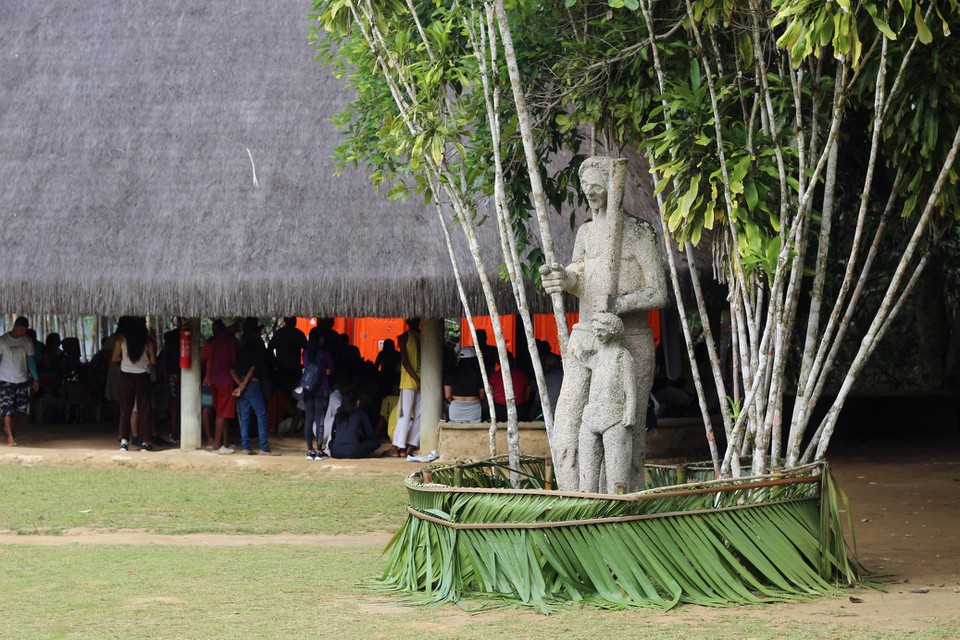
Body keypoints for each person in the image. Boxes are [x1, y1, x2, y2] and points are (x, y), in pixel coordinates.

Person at [540, 156, 668, 492]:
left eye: (597, 188)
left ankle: (620, 509)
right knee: (567, 433)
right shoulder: (586, 232)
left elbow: (658, 292)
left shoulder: (639, 233)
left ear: (613, 189)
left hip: (630, 339)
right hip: (585, 339)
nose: (591, 195)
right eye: (587, 190)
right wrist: (563, 279)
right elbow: (579, 274)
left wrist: (621, 303)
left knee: (626, 439)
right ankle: (574, 501)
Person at [578, 313, 637, 494]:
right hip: (590, 416)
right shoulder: (598, 356)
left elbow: (630, 386)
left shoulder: (622, 356)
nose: (597, 335)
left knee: (617, 476)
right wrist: (576, 347)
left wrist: (630, 410)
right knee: (587, 475)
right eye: (596, 331)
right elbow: (585, 359)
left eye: (601, 331)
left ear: (613, 331)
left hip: (615, 417)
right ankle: (587, 508)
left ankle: (615, 510)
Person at [231, 317, 277, 455]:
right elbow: (252, 368)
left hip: (243, 385)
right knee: (261, 414)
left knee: (245, 415)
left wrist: (240, 386)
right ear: (254, 334)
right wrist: (243, 386)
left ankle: (245, 446)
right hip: (252, 385)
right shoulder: (256, 348)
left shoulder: (241, 349)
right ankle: (264, 446)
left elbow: (232, 370)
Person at [112, 316, 157, 451]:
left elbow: (114, 358)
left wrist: (123, 358)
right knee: (144, 409)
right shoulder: (148, 341)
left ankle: (124, 442)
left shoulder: (121, 340)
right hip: (142, 377)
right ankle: (144, 442)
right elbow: (153, 361)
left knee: (125, 409)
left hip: (125, 376)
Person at [0, 317, 40, 446]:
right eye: (22, 329)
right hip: (5, 379)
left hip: (22, 380)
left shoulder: (27, 342)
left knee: (22, 411)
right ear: (15, 326)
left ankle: (9, 427)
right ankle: (10, 437)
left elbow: (30, 360)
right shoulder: (3, 341)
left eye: (25, 330)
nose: (23, 332)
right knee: (7, 409)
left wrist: (36, 378)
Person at [385, 318, 421, 457]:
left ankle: (396, 447)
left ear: (407, 321)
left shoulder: (404, 337)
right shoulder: (423, 337)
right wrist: (421, 381)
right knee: (419, 415)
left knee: (404, 414)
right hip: (423, 382)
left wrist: (416, 379)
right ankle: (410, 445)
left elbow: (405, 362)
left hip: (409, 381)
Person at [202, 319, 238, 454]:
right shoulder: (231, 341)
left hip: (214, 379)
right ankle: (217, 445)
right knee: (222, 413)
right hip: (225, 379)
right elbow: (234, 361)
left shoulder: (213, 341)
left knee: (220, 413)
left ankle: (223, 442)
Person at [302, 327, 334, 460]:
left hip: (308, 388)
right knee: (319, 419)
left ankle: (310, 450)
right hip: (322, 388)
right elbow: (330, 371)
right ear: (318, 338)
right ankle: (319, 450)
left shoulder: (305, 353)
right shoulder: (325, 353)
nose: (324, 339)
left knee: (308, 418)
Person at [329, 392, 380, 459]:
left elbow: (333, 435)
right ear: (358, 402)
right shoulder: (361, 414)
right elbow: (370, 434)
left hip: (336, 452)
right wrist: (361, 435)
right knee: (377, 442)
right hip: (353, 451)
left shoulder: (338, 415)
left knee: (331, 442)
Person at [443, 346, 485, 423]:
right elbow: (481, 397)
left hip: (456, 410)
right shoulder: (480, 374)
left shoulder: (451, 373)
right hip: (474, 410)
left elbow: (447, 396)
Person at [489, 353, 531, 422]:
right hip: (519, 407)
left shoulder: (494, 376)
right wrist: (524, 401)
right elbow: (528, 390)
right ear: (513, 362)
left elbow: (491, 392)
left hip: (500, 408)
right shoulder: (521, 374)